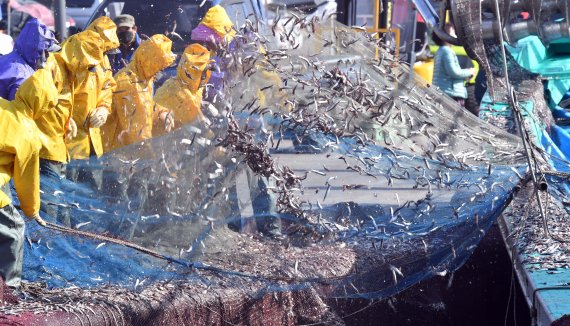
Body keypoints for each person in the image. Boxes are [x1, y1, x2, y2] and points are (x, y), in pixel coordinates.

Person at [0, 68, 57, 288]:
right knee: (14, 230)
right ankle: (8, 289)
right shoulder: (28, 133)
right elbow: (26, 180)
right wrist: (32, 211)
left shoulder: (2, 105)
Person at [66, 17, 119, 188]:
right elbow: (56, 92)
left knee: (91, 195)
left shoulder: (103, 57)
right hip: (69, 141)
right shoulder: (70, 52)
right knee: (66, 196)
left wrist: (104, 108)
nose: (102, 52)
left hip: (92, 141)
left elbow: (107, 86)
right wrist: (64, 118)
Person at [153, 43, 211, 135]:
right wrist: (213, 138)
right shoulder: (179, 90)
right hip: (160, 141)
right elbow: (199, 121)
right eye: (201, 72)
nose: (204, 76)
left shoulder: (185, 83)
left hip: (175, 136)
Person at [0, 18, 59, 101]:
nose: (48, 57)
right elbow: (18, 111)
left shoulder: (8, 58)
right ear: (36, 51)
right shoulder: (23, 75)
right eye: (46, 52)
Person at [431, 24, 475, 111]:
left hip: (444, 91)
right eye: (453, 32)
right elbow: (454, 72)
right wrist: (469, 72)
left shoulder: (440, 50)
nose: (456, 35)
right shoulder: (447, 51)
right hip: (451, 93)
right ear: (446, 36)